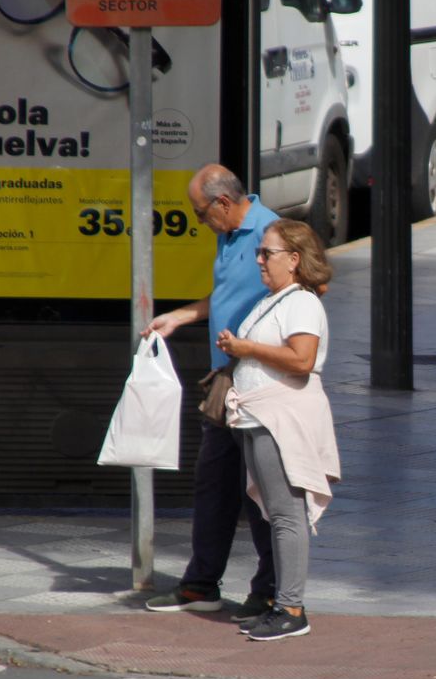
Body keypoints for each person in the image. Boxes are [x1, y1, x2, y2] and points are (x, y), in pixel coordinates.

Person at [142, 164, 277, 623]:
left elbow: (312, 286)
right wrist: (181, 315)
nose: (200, 222)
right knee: (214, 483)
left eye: (201, 213)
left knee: (259, 490)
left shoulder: (273, 233)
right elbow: (224, 296)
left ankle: (269, 593)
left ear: (222, 203)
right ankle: (201, 585)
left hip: (258, 380)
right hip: (224, 379)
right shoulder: (229, 233)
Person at [219, 219, 340, 641]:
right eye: (260, 252)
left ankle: (292, 608)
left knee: (287, 515)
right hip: (257, 417)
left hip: (280, 419)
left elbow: (302, 360)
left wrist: (245, 348)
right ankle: (279, 602)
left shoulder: (302, 303)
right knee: (271, 513)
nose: (259, 260)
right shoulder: (276, 298)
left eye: (266, 253)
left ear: (293, 259)